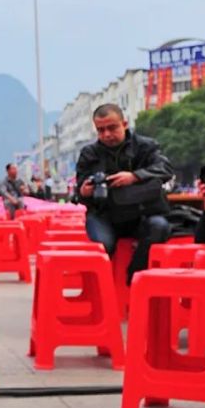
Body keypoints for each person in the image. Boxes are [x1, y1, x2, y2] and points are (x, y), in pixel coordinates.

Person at [75, 103, 173, 281]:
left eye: (112, 128)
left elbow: (165, 168)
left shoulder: (146, 146)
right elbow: (79, 190)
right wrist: (84, 190)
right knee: (103, 246)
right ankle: (103, 292)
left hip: (143, 212)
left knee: (160, 227)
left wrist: (135, 176)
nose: (107, 135)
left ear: (125, 124)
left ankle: (134, 280)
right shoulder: (89, 153)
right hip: (104, 214)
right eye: (101, 130)